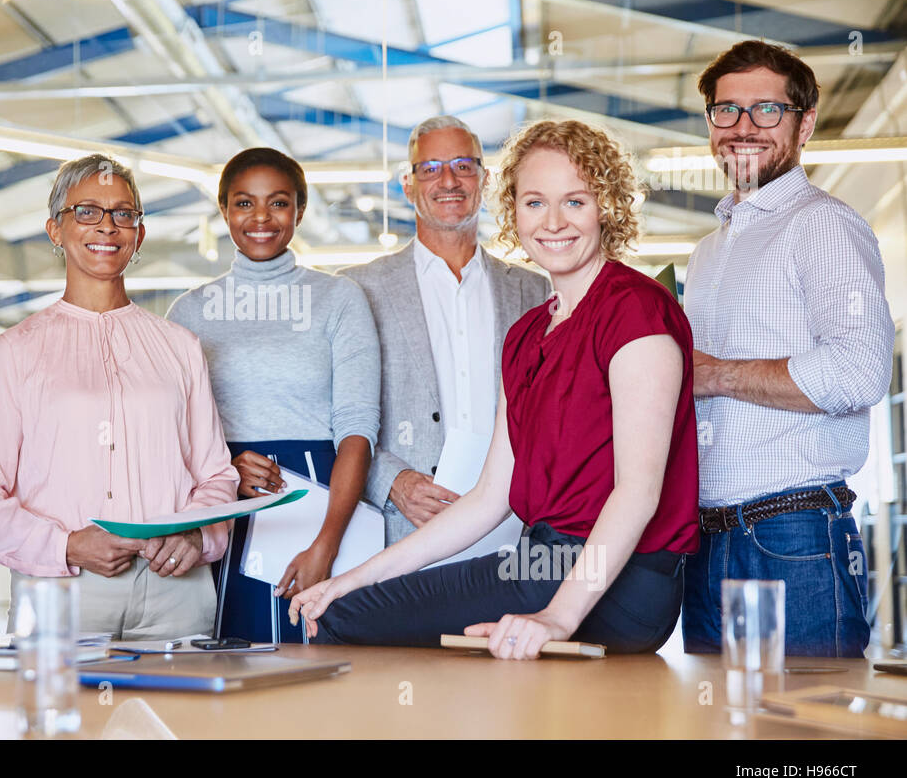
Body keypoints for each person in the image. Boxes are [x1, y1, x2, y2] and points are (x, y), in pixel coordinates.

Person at [289, 120, 700, 658]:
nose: (553, 222)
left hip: (620, 578)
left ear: (607, 205)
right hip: (541, 561)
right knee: (342, 607)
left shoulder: (636, 309)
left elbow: (638, 495)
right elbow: (489, 498)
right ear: (512, 211)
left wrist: (557, 617)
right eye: (534, 203)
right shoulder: (527, 335)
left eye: (574, 202)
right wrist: (355, 578)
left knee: (346, 624)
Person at [0, 154, 240, 639]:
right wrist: (65, 546)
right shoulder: (17, 351)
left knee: (183, 717)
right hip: (62, 590)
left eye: (123, 214)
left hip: (176, 590)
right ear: (55, 230)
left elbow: (216, 476)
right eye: (86, 211)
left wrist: (197, 535)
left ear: (139, 234)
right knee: (61, 717)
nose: (107, 227)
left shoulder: (180, 347)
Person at [681, 40, 893, 658]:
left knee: (803, 740)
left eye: (766, 110)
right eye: (727, 111)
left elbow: (860, 371)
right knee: (722, 728)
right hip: (708, 538)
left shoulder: (821, 224)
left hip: (793, 534)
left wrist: (714, 375)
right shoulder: (709, 250)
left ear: (804, 124)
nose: (742, 128)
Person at [167, 148, 380, 643]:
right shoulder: (190, 312)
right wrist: (224, 467)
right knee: (230, 661)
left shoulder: (339, 299)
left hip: (325, 501)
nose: (260, 218)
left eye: (278, 203)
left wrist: (326, 544)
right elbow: (170, 435)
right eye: (244, 203)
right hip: (226, 506)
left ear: (300, 212)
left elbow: (357, 429)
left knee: (320, 666)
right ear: (223, 211)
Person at [340, 115, 550, 550]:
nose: (448, 180)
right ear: (408, 184)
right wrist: (391, 482)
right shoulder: (358, 289)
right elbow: (334, 414)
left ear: (484, 179)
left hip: (511, 529)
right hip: (401, 527)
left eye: (462, 165)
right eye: (430, 168)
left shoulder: (534, 290)